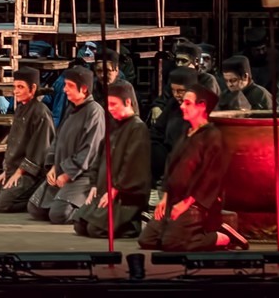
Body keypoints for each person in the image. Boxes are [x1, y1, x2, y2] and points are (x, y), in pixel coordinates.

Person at [138, 85, 244, 250]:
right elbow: (171, 165)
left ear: (201, 106)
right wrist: (165, 198)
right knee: (148, 239)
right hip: (174, 199)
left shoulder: (212, 136)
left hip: (196, 203)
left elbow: (210, 178)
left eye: (188, 103)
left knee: (172, 243)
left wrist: (186, 203)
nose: (181, 106)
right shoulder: (186, 132)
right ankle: (183, 231)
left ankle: (220, 237)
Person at [72, 79, 151, 239]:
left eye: (114, 104)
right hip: (104, 190)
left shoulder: (137, 128)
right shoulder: (114, 126)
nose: (110, 109)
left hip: (125, 195)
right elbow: (100, 157)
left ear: (127, 102)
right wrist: (94, 184)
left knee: (96, 229)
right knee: (80, 225)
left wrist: (116, 189)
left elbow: (133, 165)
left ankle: (131, 225)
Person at [27, 66, 105, 224]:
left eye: (69, 85)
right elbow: (58, 138)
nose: (64, 89)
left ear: (83, 89)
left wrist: (67, 174)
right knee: (35, 207)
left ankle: (89, 208)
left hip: (83, 176)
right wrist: (54, 168)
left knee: (59, 215)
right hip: (62, 169)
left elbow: (89, 151)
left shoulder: (94, 112)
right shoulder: (71, 108)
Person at [0, 67, 54, 213]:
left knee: (2, 205)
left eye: (20, 87)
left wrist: (20, 172)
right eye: (15, 87)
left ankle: (35, 199)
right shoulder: (20, 109)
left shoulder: (41, 112)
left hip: (30, 172)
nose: (16, 91)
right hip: (14, 168)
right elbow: (14, 144)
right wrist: (6, 172)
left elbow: (40, 149)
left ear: (33, 88)